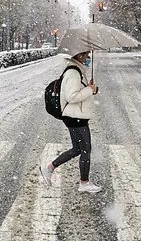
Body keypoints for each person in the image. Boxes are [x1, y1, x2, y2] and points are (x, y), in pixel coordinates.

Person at [40, 51, 101, 193]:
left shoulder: (77, 71)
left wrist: (92, 89)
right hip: (75, 117)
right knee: (86, 149)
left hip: (75, 116)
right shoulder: (73, 72)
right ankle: (84, 182)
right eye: (86, 56)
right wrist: (89, 90)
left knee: (77, 149)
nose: (88, 59)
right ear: (80, 57)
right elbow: (72, 96)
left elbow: (80, 92)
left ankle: (49, 169)